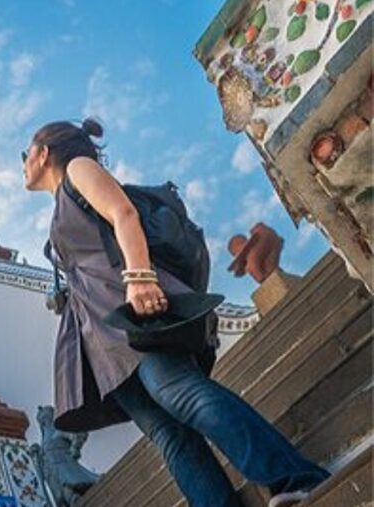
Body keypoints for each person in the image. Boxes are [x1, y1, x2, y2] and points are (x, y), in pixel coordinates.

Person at [23, 118, 329, 507]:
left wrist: (140, 278)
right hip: (104, 345)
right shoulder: (56, 214)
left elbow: (124, 214)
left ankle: (294, 478)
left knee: (184, 395)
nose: (24, 164)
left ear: (43, 152)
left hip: (132, 312)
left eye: (26, 155)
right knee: (170, 438)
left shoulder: (78, 170)